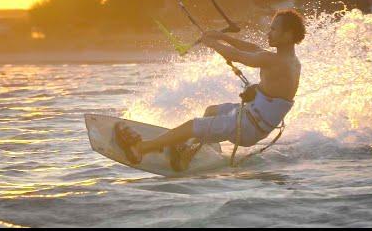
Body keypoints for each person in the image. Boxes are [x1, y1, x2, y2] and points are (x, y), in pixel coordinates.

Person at [114, 9, 305, 171]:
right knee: (211, 111)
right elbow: (253, 49)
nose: (268, 32)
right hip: (251, 121)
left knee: (192, 125)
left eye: (273, 29)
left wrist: (212, 43)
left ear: (288, 35)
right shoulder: (290, 61)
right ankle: (188, 152)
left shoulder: (275, 61)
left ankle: (142, 148)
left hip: (246, 127)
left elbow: (237, 55)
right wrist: (222, 36)